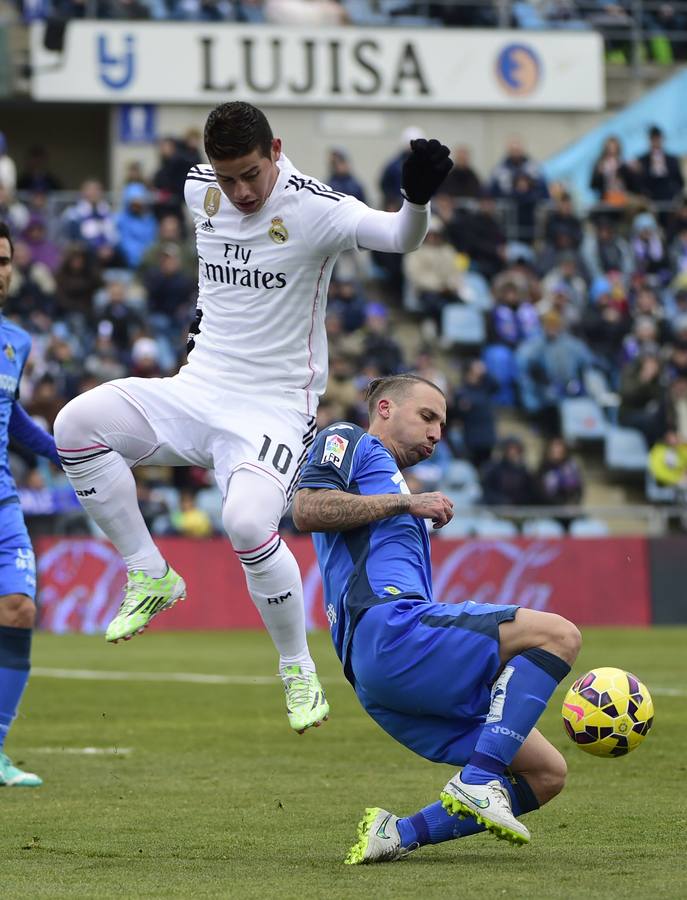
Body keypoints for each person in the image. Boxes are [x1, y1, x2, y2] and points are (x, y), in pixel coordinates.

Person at [53, 102, 452, 735]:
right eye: (226, 177)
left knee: (245, 522)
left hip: (272, 405)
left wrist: (417, 199)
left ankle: (297, 668)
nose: (238, 192)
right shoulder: (197, 187)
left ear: (276, 150)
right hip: (199, 385)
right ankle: (149, 573)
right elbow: (222, 281)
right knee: (75, 424)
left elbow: (401, 238)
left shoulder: (315, 208)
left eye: (249, 175)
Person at [292, 374, 581, 861]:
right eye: (427, 417)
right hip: (392, 631)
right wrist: (408, 502)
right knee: (559, 635)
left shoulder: (392, 483)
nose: (436, 433)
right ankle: (479, 781)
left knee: (547, 774)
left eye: (443, 425)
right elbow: (306, 507)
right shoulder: (349, 439)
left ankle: (398, 834)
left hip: (380, 679)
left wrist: (407, 500)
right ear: (384, 408)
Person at [0, 221, 62, 786]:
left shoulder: (15, 341)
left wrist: (60, 450)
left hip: (2, 502)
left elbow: (11, 416)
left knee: (18, 607)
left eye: (4, 260)